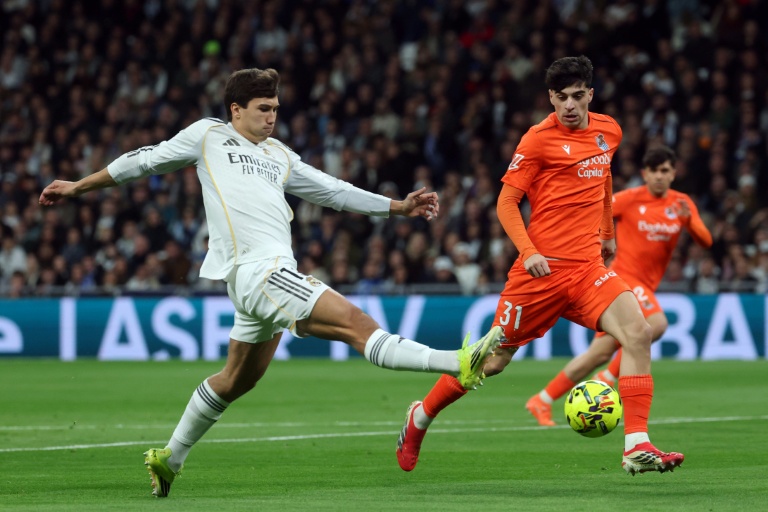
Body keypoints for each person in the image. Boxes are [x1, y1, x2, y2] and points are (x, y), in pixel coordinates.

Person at [38, 68, 503, 497]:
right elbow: (143, 161)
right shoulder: (208, 136)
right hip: (259, 271)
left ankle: (169, 458)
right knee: (355, 323)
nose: (272, 116)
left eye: (276, 108)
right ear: (236, 109)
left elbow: (333, 190)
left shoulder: (280, 155)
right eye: (263, 108)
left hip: (263, 278)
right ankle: (457, 360)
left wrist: (396, 207)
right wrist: (79, 186)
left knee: (237, 380)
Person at [395, 56, 684, 476]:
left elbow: (603, 180)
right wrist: (528, 251)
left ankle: (636, 445)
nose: (569, 105)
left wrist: (606, 233)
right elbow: (507, 202)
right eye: (561, 97)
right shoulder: (536, 140)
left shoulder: (610, 131)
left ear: (591, 94)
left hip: (586, 270)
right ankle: (420, 416)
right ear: (550, 97)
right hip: (540, 274)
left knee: (638, 332)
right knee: (489, 364)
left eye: (577, 96)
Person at [525, 145, 713, 426]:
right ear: (644, 174)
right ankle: (608, 378)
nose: (659, 176)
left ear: (673, 173)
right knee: (657, 324)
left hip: (645, 283)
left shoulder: (681, 203)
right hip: (623, 278)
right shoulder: (629, 199)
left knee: (598, 354)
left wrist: (689, 220)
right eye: (654, 171)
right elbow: (599, 209)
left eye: (665, 171)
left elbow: (706, 241)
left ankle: (542, 399)